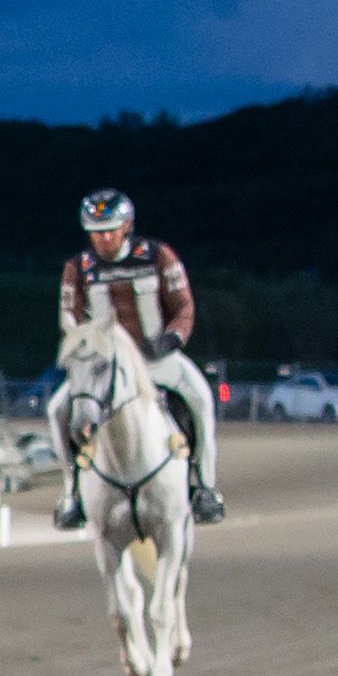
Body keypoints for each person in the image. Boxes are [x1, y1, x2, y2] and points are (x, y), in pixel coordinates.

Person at [55, 189, 224, 529]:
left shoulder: (159, 256)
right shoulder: (78, 269)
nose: (103, 237)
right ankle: (71, 493)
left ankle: (206, 487)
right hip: (106, 366)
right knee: (57, 410)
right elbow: (69, 320)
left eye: (111, 229)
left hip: (157, 357)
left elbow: (183, 307)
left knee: (202, 399)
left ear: (127, 225)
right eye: (96, 231)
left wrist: (169, 340)